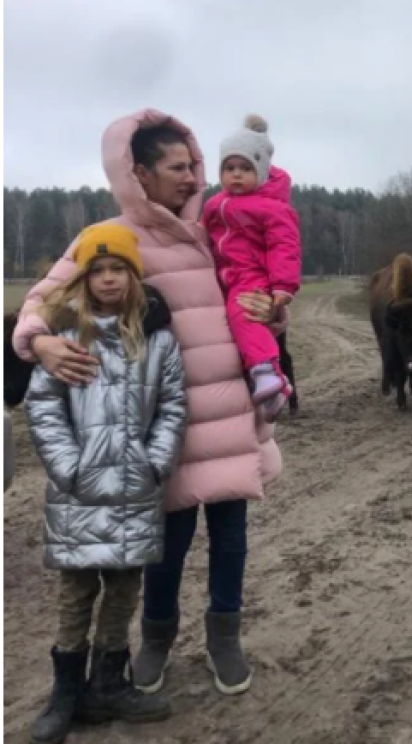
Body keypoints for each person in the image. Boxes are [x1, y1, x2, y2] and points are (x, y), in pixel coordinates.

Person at [11, 109, 286, 700]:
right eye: (178, 167)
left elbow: (254, 289)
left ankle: (224, 638)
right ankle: (157, 639)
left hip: (232, 413)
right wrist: (42, 342)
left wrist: (273, 311)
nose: (193, 177)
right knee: (166, 543)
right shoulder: (111, 240)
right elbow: (41, 299)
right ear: (139, 173)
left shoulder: (220, 230)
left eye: (195, 166)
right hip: (166, 424)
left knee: (232, 538)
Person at [24, 225, 187, 743]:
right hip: (78, 490)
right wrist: (68, 467)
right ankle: (65, 693)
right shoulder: (66, 337)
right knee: (76, 592)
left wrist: (155, 462)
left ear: (133, 276)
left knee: (122, 590)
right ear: (85, 279)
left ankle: (109, 683)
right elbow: (44, 406)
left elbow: (172, 406)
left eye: (118, 269)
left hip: (137, 488)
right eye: (99, 271)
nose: (109, 278)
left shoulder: (158, 340)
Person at [203, 114, 302, 422]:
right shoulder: (213, 204)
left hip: (252, 277)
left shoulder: (271, 207)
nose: (236, 175)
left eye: (245, 169)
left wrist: (282, 286)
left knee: (242, 314)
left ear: (260, 172)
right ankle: (268, 389)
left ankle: (267, 372)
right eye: (229, 168)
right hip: (226, 277)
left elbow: (284, 245)